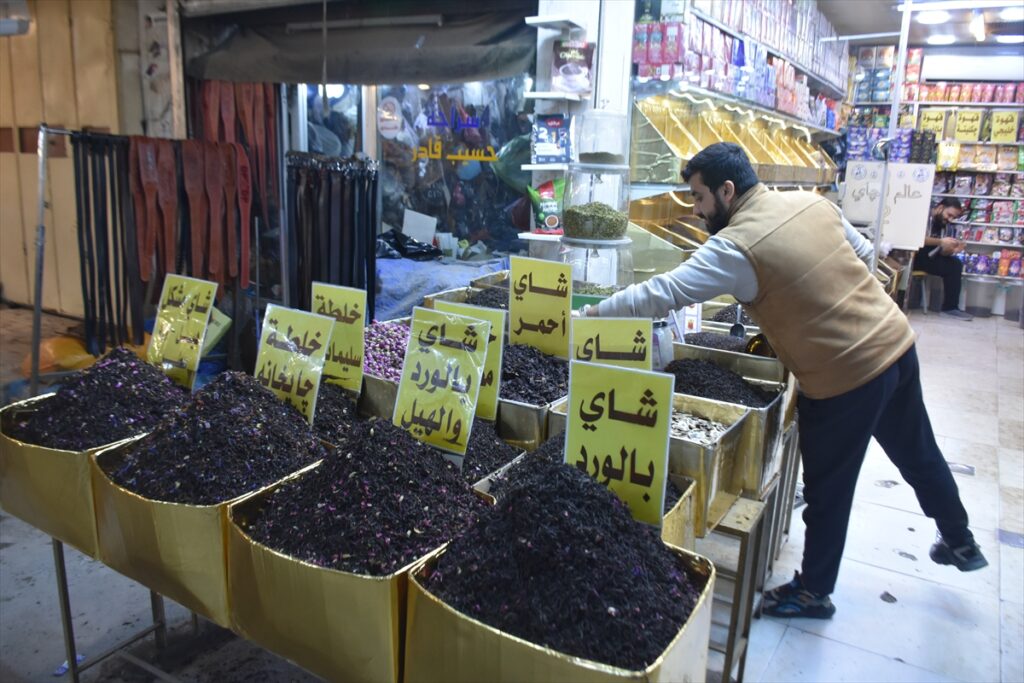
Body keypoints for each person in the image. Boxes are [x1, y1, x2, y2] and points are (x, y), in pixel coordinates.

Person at [584, 143, 987, 619]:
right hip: (896, 346)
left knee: (828, 490)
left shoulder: (735, 247)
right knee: (919, 452)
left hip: (843, 378)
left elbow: (661, 293)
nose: (695, 211)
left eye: (698, 198)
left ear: (727, 190)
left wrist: (588, 315)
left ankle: (814, 591)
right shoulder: (810, 202)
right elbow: (866, 257)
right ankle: (960, 540)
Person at [912, 197, 971, 320]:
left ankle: (950, 308)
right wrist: (940, 241)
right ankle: (950, 308)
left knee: (955, 264)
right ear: (940, 207)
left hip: (929, 257)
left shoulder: (944, 225)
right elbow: (916, 238)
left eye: (953, 217)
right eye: (949, 215)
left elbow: (941, 252)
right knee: (954, 265)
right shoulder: (923, 216)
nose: (950, 219)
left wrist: (953, 250)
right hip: (914, 257)